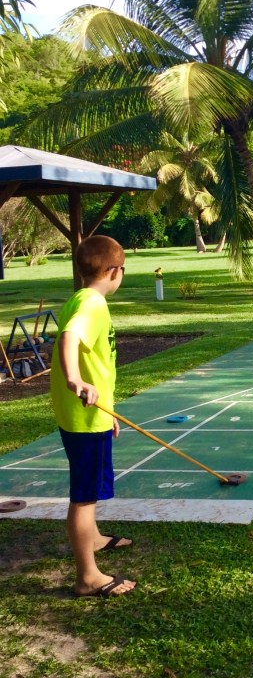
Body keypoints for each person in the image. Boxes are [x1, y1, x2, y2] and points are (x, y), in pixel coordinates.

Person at [50, 235, 136, 598]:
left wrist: (108, 410)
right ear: (115, 271)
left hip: (88, 414)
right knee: (84, 496)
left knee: (89, 492)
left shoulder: (80, 298)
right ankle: (87, 577)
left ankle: (95, 538)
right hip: (85, 418)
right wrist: (75, 380)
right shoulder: (93, 303)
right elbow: (70, 337)